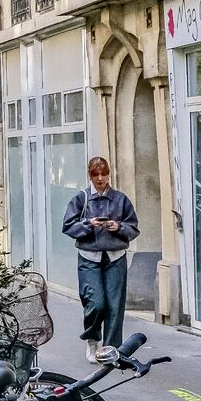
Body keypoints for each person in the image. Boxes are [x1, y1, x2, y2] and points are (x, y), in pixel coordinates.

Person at [62, 156, 140, 363]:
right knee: (95, 302)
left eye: (104, 174)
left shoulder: (120, 199)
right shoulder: (81, 199)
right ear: (89, 175)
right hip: (89, 257)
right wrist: (89, 225)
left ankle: (111, 349)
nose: (100, 179)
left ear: (109, 174)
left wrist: (119, 227)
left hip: (116, 256)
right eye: (96, 175)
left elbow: (134, 228)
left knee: (115, 305)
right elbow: (68, 227)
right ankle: (92, 339)